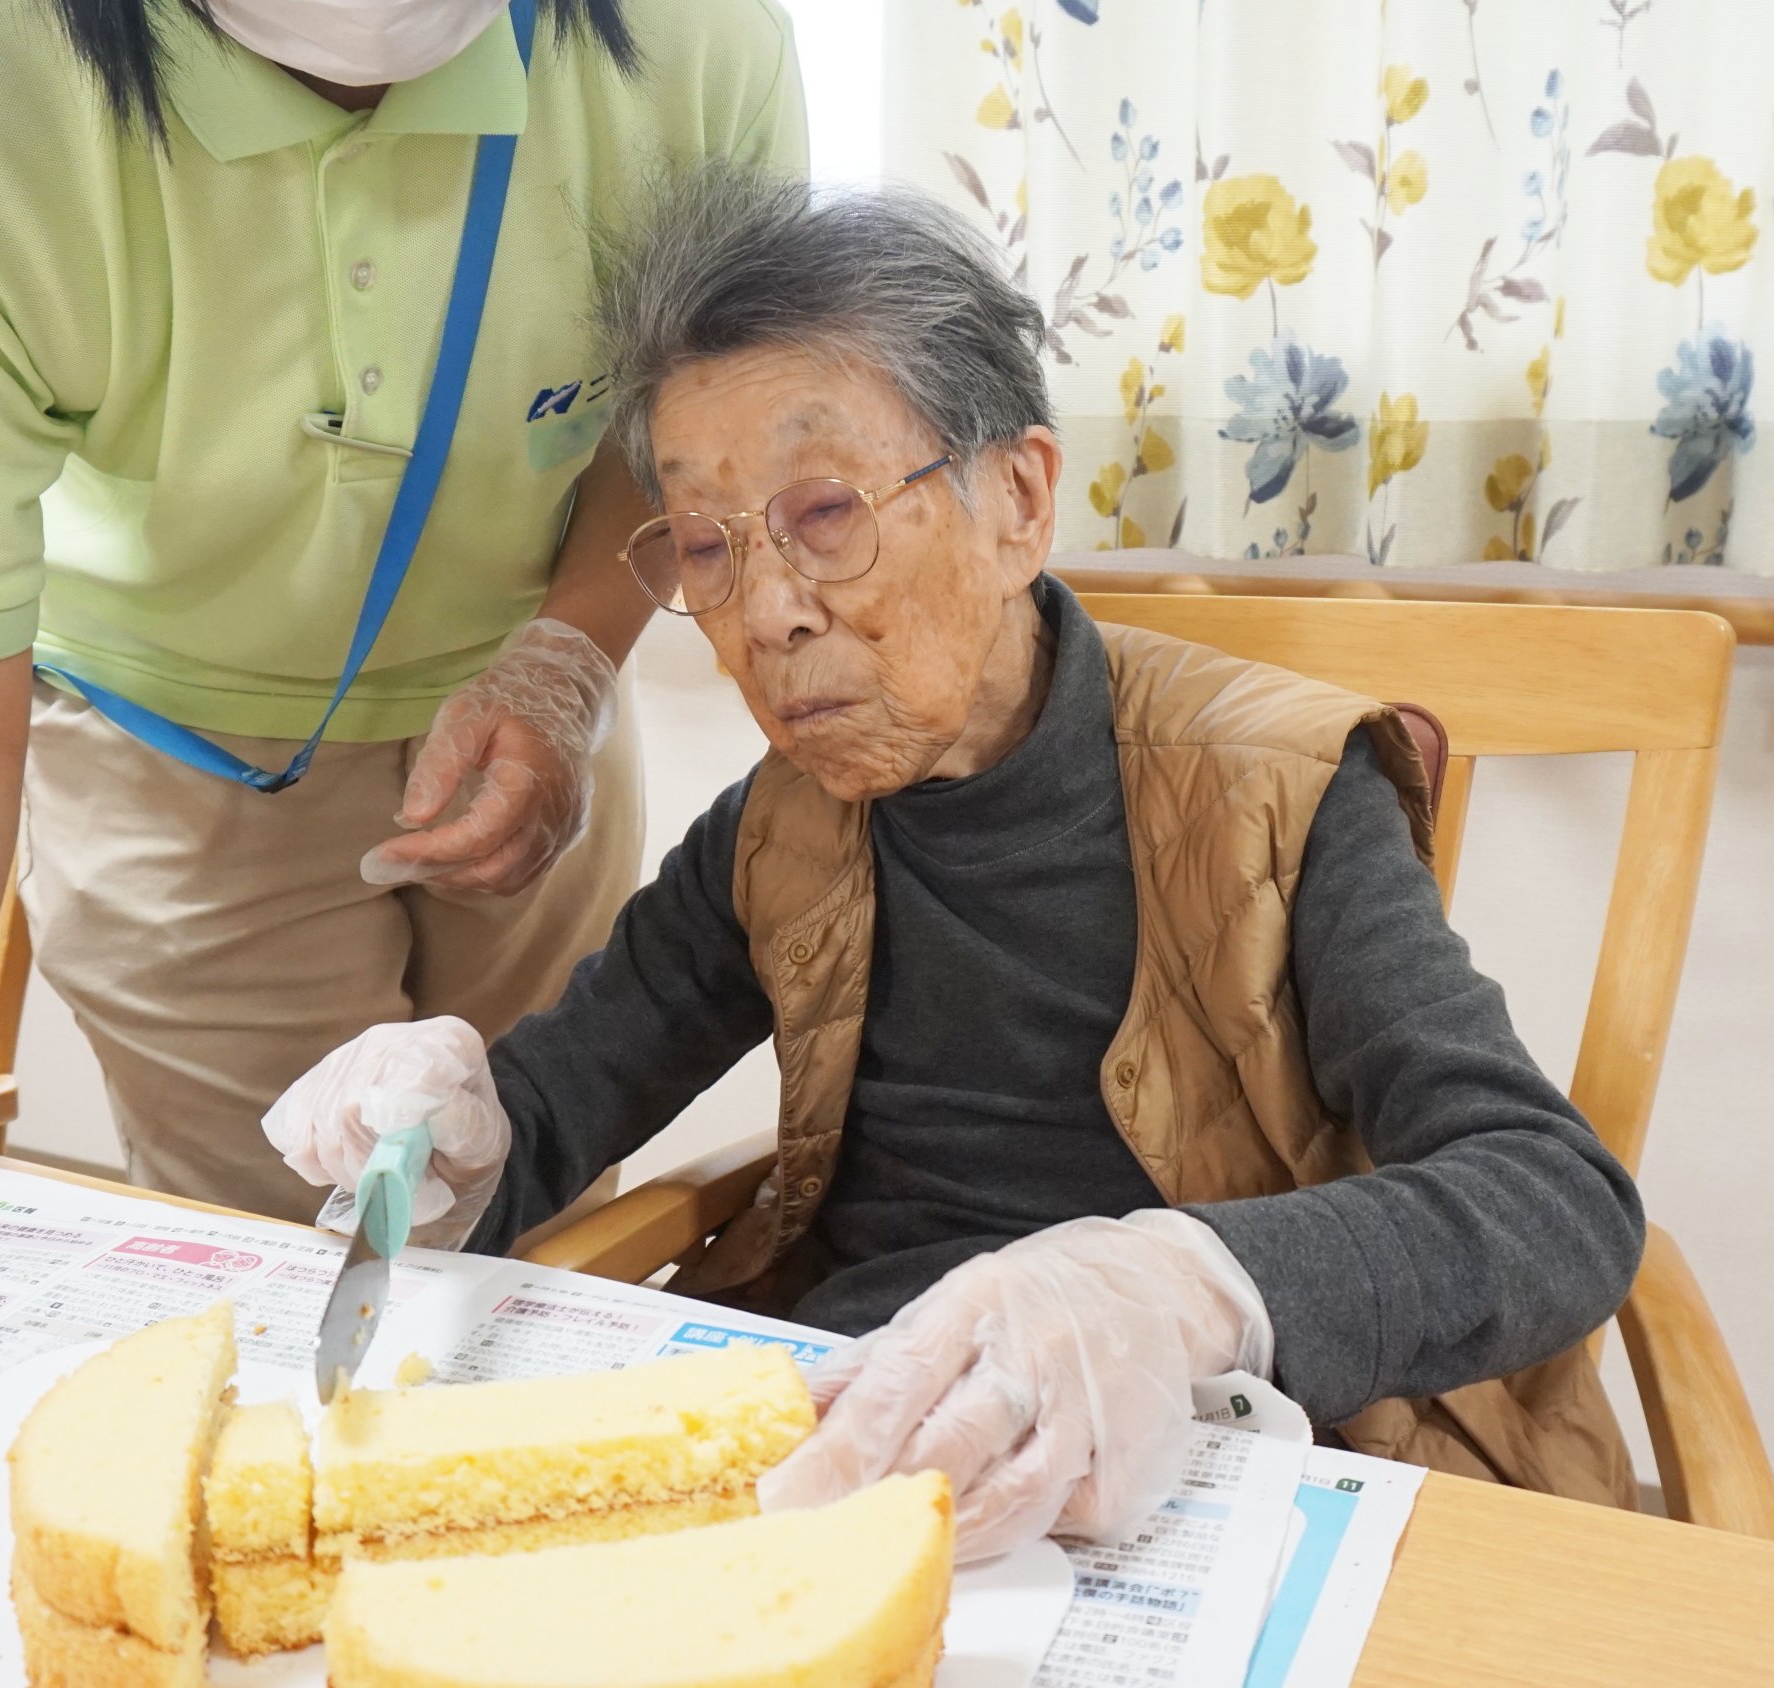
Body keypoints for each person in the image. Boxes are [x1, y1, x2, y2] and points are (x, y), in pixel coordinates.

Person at [264, 168, 1648, 1558]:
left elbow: (1553, 1198)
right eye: (704, 548)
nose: (771, 615)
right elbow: (562, 1098)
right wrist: (445, 1129)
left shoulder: (1275, 792)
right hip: (861, 1437)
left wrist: (1177, 1285)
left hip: (1188, 1455)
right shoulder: (781, 823)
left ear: (1019, 501)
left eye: (824, 513)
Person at [0, 0, 807, 1334]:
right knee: (288, 1290)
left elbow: (688, 423)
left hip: (539, 678)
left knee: (533, 1250)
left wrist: (565, 663)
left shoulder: (694, 41)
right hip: (173, 745)